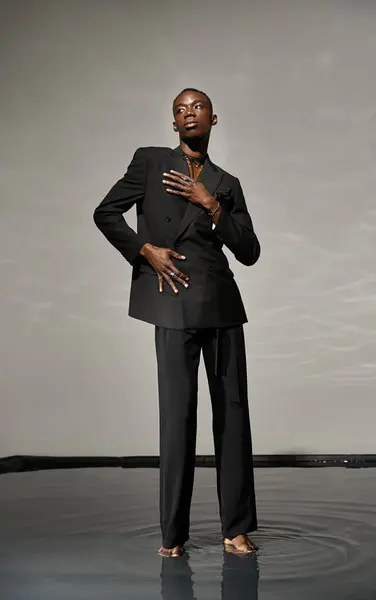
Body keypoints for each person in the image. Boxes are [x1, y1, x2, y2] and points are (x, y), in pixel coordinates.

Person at [93, 88, 260, 557]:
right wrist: (145, 250)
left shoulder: (227, 182)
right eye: (181, 110)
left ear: (213, 119)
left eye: (198, 108)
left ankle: (236, 529)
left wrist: (212, 206)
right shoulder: (149, 162)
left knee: (233, 416)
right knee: (177, 419)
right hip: (172, 302)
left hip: (222, 305)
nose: (190, 114)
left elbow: (249, 252)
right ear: (173, 124)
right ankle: (174, 536)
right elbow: (105, 212)